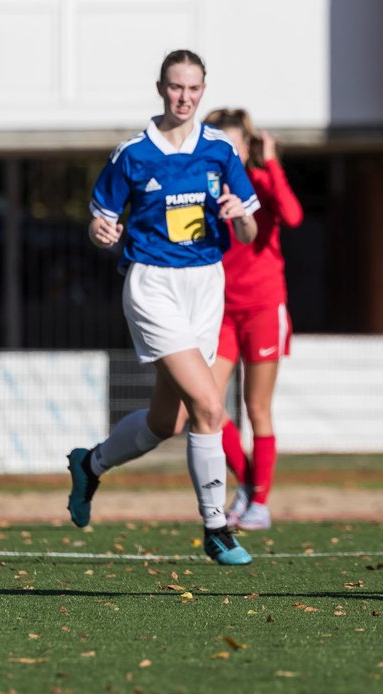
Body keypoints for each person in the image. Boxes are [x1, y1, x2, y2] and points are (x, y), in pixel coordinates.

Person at [66, 50, 261, 566]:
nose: (184, 97)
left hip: (206, 285)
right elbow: (100, 221)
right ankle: (216, 527)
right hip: (153, 286)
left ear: (203, 90)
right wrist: (100, 230)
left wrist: (240, 216)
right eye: (176, 88)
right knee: (210, 407)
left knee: (166, 423)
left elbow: (250, 230)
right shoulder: (131, 154)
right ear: (160, 88)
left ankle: (91, 465)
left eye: (194, 89)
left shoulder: (220, 150)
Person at [204, 108, 304, 531]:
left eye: (235, 144)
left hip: (263, 306)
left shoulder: (261, 182)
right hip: (220, 310)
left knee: (256, 407)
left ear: (247, 147)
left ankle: (258, 503)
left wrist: (273, 160)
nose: (228, 152)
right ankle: (250, 484)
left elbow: (294, 216)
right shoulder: (204, 188)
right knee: (206, 402)